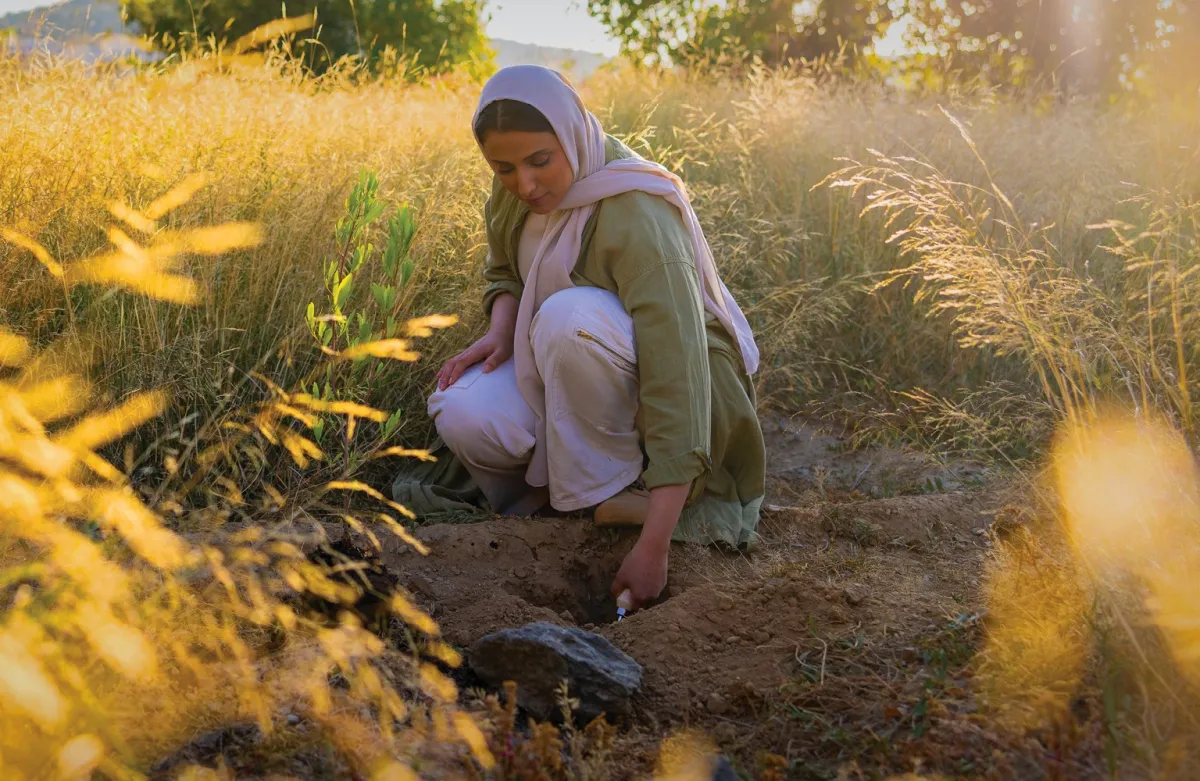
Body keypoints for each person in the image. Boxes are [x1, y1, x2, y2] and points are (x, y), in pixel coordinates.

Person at [392, 64, 766, 612]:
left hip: (670, 382)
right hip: (561, 360)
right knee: (462, 411)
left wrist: (654, 546)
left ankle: (627, 494)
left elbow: (676, 372)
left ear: (571, 133)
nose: (526, 184)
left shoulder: (634, 210)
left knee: (569, 318)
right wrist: (500, 330)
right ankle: (556, 499)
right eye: (504, 168)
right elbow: (504, 271)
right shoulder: (515, 196)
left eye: (540, 161)